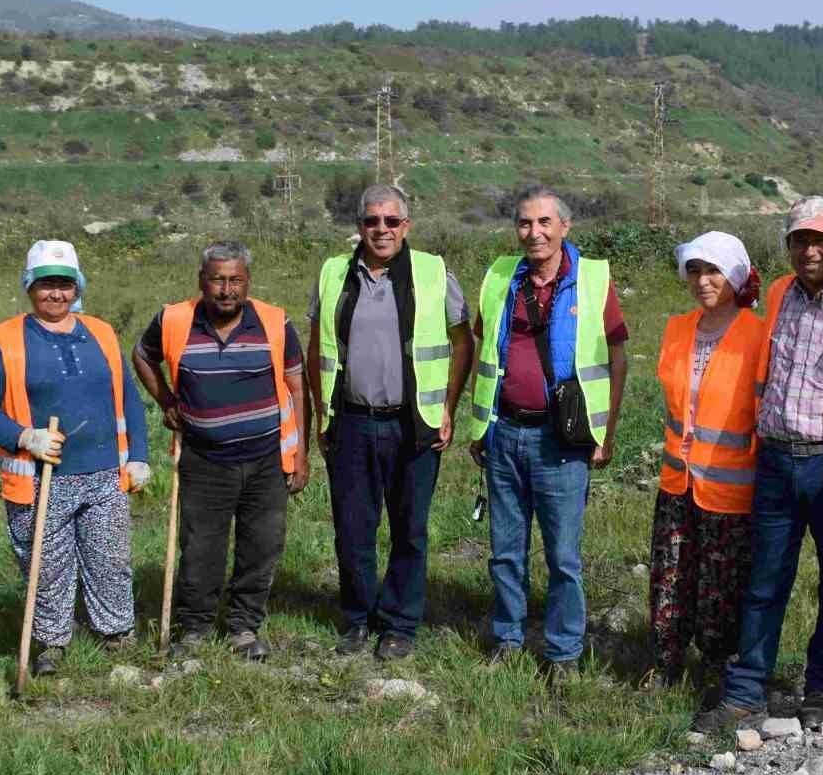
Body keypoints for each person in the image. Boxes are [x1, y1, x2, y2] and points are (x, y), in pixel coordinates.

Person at [693, 197, 823, 733]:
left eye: (821, 239)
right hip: (777, 460)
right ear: (788, 247)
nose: (810, 249)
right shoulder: (778, 295)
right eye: (800, 239)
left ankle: (822, 691)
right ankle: (745, 692)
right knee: (765, 580)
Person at [466, 185, 629, 678]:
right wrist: (481, 426)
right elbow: (484, 351)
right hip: (505, 435)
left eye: (543, 223)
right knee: (505, 551)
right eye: (523, 223)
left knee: (563, 557)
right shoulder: (500, 277)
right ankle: (508, 638)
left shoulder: (593, 279)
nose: (533, 233)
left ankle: (562, 653)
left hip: (563, 441)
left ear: (564, 227)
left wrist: (607, 431)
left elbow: (618, 358)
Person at [0, 239, 151, 677]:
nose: (57, 294)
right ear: (30, 287)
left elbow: (127, 396)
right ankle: (52, 643)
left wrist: (138, 456)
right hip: (40, 477)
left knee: (110, 557)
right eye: (47, 284)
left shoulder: (101, 333)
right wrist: (23, 437)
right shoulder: (5, 339)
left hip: (105, 472)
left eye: (65, 285)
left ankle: (116, 633)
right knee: (46, 565)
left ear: (78, 287)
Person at [307, 185, 474, 660]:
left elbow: (462, 341)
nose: (381, 230)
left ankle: (400, 624)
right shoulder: (333, 272)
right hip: (352, 422)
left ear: (407, 226)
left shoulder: (434, 271)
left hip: (413, 423)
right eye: (371, 221)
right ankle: (358, 619)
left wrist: (446, 407)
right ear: (358, 226)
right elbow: (317, 344)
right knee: (353, 528)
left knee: (410, 529)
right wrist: (323, 414)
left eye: (391, 221)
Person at [131, 241, 310, 661]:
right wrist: (167, 402)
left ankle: (244, 628)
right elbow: (141, 356)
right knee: (200, 549)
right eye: (217, 280)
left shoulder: (274, 322)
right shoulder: (174, 319)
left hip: (266, 459)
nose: (226, 290)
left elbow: (297, 386)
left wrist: (300, 452)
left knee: (261, 546)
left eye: (235, 281)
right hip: (204, 460)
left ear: (247, 282)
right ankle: (195, 628)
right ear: (202, 281)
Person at [649, 231, 765, 689]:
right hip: (678, 481)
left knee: (722, 583)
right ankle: (666, 662)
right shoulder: (678, 329)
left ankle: (717, 667)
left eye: (713, 269)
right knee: (670, 575)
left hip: (731, 487)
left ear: (734, 274)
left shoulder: (758, 335)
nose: (702, 280)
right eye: (694, 270)